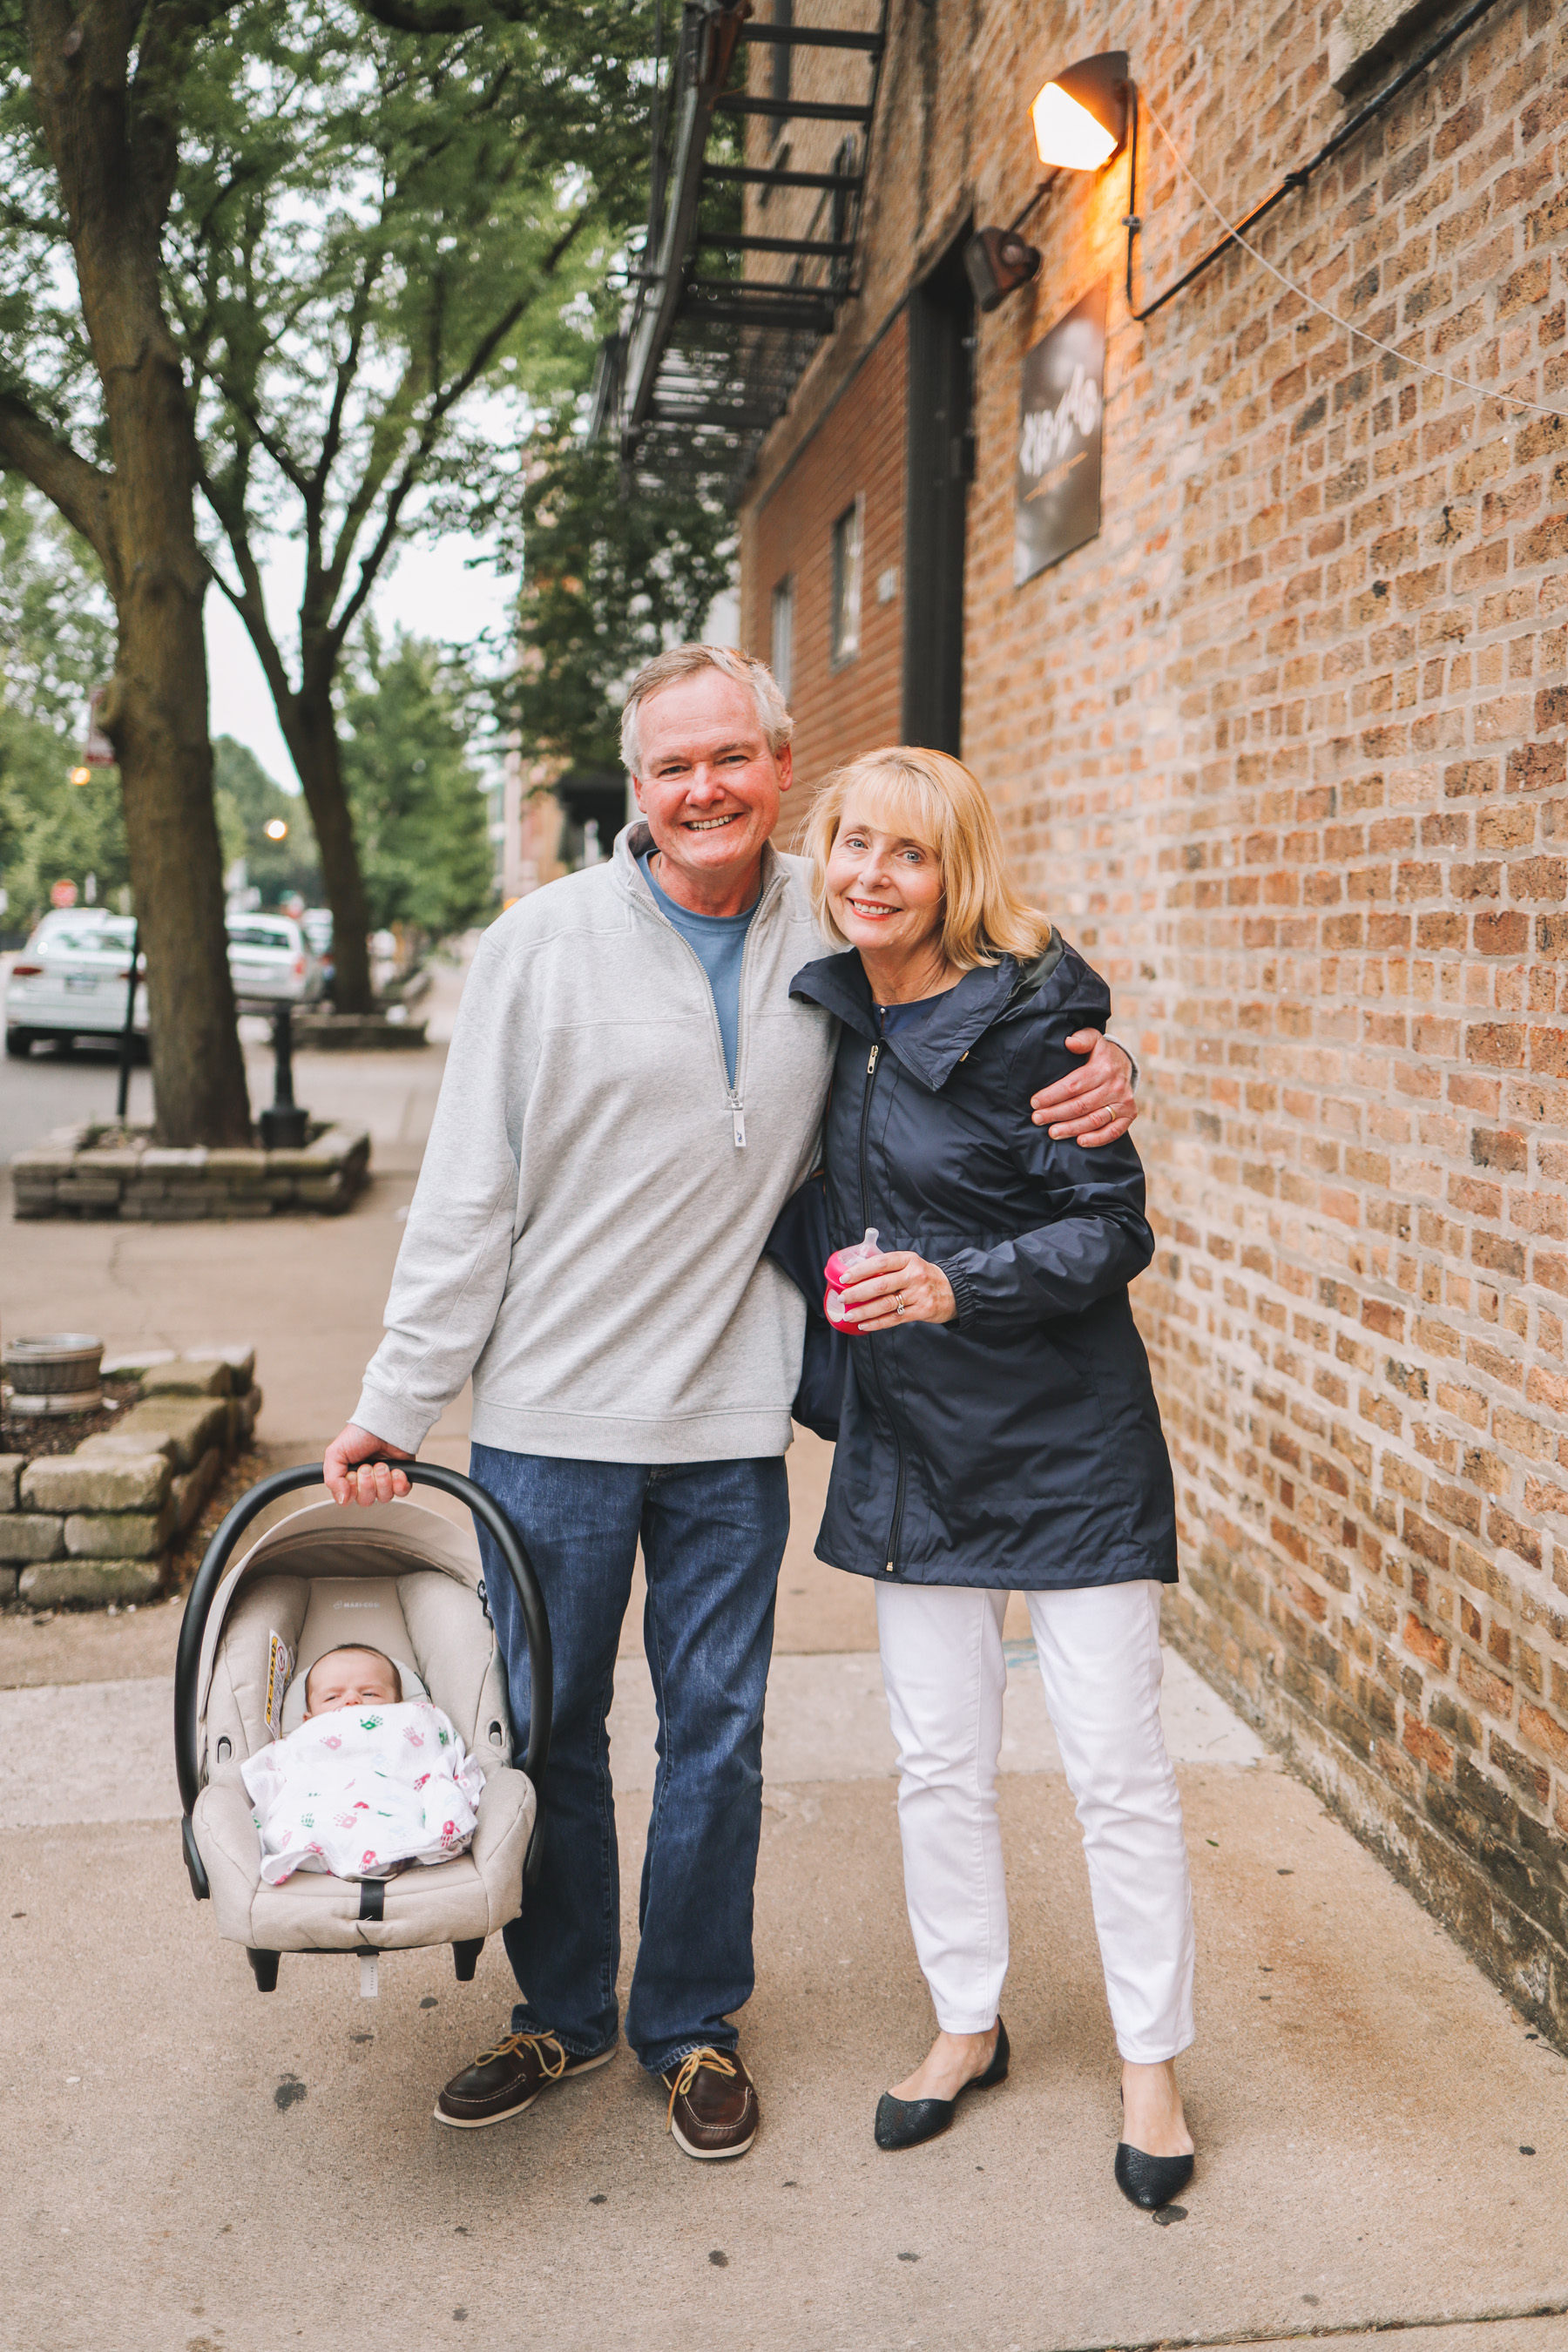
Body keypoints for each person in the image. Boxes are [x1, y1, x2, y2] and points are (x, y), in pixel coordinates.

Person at [320, 646, 1139, 2162]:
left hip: (728, 1430)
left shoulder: (832, 933)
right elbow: (463, 1202)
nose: (704, 790)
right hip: (551, 1425)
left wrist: (1110, 1065)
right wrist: (396, 1401)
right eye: (671, 767)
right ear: (637, 788)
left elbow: (1003, 990)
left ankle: (689, 2020)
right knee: (550, 1726)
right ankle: (559, 2006)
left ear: (779, 766)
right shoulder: (539, 948)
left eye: (731, 761)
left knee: (720, 1734)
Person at [787, 746, 1195, 2213]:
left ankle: (1152, 2060)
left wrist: (958, 1285)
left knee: (1117, 1772)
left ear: (955, 870)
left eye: (906, 853)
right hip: (912, 1448)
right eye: (849, 845)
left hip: (1068, 1436)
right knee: (940, 1762)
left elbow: (1114, 1230)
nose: (871, 876)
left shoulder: (1043, 1021)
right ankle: (968, 2022)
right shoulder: (821, 1010)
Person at [242, 1647, 485, 1888]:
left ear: (398, 1703)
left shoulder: (412, 1718)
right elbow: (265, 1773)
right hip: (322, 1802)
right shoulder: (301, 1738)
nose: (352, 1700)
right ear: (308, 1719)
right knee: (290, 1820)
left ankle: (386, 1849)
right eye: (331, 1698)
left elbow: (440, 1754)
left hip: (394, 1802)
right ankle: (328, 1848)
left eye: (369, 1694)